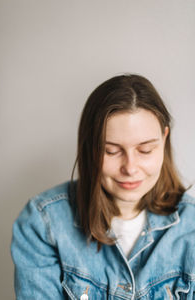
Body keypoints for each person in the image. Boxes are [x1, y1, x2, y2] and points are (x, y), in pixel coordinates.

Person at [11, 74, 195, 299]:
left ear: (164, 139)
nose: (130, 167)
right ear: (90, 148)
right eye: (111, 151)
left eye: (145, 150)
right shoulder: (42, 223)